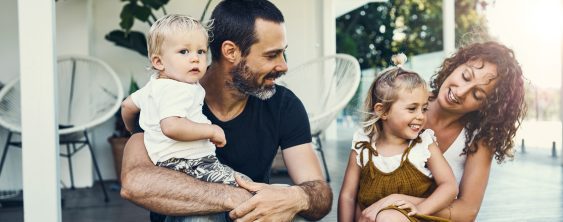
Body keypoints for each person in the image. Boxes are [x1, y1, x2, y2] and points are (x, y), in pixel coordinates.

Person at [118, 1, 332, 221]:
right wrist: (238, 198)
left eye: (283, 54)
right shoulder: (166, 95)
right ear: (231, 51)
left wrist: (296, 197)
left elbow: (320, 194)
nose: (284, 66)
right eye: (271, 55)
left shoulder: (283, 105)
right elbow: (136, 183)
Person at [359, 41, 526, 221]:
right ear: (456, 65)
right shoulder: (402, 101)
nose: (461, 92)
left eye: (477, 95)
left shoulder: (479, 139)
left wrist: (400, 202)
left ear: (487, 106)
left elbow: (467, 211)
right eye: (465, 76)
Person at [120, 14, 248, 221]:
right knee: (247, 192)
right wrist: (212, 130)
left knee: (185, 208)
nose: (195, 58)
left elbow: (127, 106)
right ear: (158, 61)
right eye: (184, 51)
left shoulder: (153, 86)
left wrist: (134, 131)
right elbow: (171, 126)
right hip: (193, 163)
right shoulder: (179, 89)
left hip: (166, 166)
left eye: (200, 51)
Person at [338, 54, 458, 222]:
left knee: (388, 218)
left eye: (424, 109)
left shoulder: (424, 144)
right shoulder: (363, 145)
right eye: (412, 109)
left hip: (414, 219)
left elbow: (450, 187)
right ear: (383, 111)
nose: (421, 116)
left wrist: (419, 209)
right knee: (359, 209)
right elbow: (347, 195)